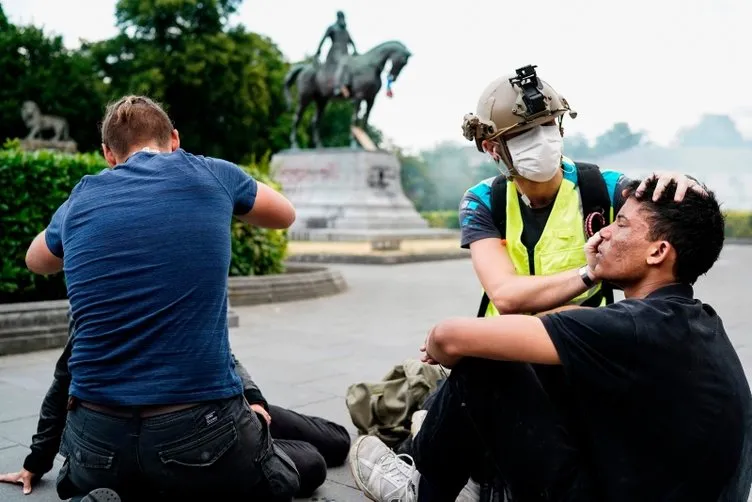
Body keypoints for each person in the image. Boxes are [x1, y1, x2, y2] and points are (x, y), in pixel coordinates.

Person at [392, 64, 708, 497]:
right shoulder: (484, 200)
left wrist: (686, 185)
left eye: (547, 126)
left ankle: (422, 458)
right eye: (522, 135)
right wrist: (590, 272)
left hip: (579, 354)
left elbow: (671, 221)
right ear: (491, 146)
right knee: (474, 387)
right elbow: (504, 296)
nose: (541, 141)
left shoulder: (605, 189)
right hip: (507, 344)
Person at [349, 178, 752, 501]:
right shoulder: (689, 319)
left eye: (622, 224)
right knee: (543, 359)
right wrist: (593, 271)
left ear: (658, 252)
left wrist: (440, 348)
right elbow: (568, 327)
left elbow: (449, 337)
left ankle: (420, 489)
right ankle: (458, 451)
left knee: (483, 361)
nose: (603, 232)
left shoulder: (634, 327)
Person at [20, 95, 301, 501]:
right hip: (200, 434)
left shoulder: (81, 195)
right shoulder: (212, 172)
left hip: (94, 447)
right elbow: (285, 215)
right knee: (291, 472)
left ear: (108, 155)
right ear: (174, 139)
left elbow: (36, 260)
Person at [0, 311, 351, 498]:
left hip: (222, 407)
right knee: (311, 462)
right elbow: (64, 378)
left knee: (336, 441)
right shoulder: (100, 294)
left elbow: (223, 355)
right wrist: (36, 460)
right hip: (199, 430)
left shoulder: (185, 280)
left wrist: (254, 400)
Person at [314, 10, 358, 97]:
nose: (342, 19)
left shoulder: (345, 31)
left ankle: (351, 86)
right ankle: (338, 86)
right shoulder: (332, 28)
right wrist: (318, 51)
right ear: (338, 18)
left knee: (352, 64)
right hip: (335, 52)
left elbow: (351, 42)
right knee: (343, 64)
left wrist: (355, 51)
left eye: (343, 17)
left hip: (345, 52)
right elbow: (323, 39)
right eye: (341, 17)